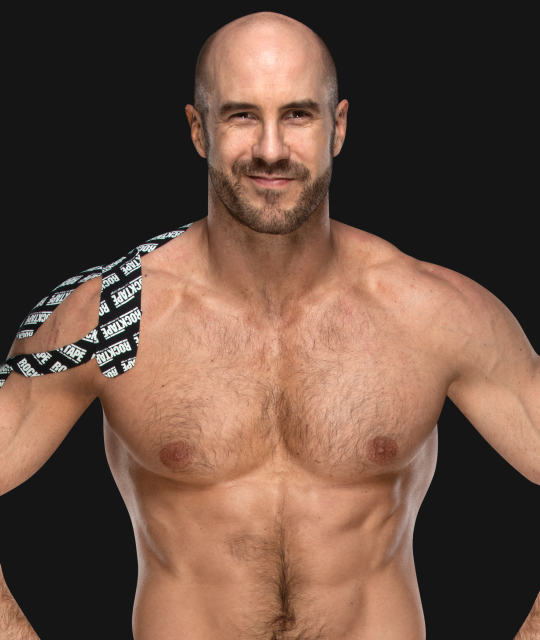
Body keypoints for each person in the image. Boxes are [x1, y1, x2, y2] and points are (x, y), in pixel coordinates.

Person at [0, 11, 538, 640]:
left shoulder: (429, 312)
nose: (271, 149)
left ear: (338, 126)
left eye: (298, 114)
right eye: (241, 115)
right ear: (198, 130)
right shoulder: (114, 317)